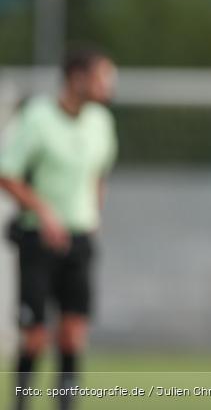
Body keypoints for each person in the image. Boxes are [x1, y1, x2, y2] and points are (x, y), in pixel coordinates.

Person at [0, 48, 118, 410]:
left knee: (72, 335)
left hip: (79, 239)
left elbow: (100, 171)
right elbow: (8, 175)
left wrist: (93, 213)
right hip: (38, 238)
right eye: (101, 78)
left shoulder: (100, 121)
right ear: (77, 78)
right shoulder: (38, 117)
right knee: (34, 336)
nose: (108, 87)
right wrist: (44, 212)